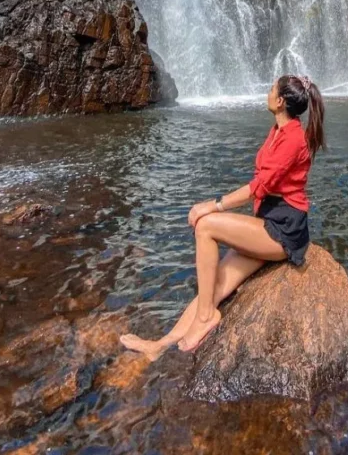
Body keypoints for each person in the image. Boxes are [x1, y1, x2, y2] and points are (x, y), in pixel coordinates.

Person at [119, 74, 326, 356]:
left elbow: (258, 188)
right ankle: (160, 345)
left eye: (270, 89)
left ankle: (206, 317)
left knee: (206, 226)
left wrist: (213, 205)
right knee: (212, 286)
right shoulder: (278, 130)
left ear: (279, 102)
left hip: (283, 230)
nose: (267, 92)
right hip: (268, 221)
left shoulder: (292, 139)